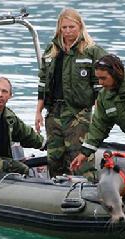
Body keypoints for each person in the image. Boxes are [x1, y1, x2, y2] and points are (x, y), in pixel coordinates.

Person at [35, 7, 107, 181]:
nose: (67, 31)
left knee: (80, 157)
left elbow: (100, 86)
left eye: (71, 27)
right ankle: (56, 190)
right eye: (64, 27)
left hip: (78, 113)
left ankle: (88, 188)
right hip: (53, 112)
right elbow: (43, 82)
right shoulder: (51, 51)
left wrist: (99, 114)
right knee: (54, 157)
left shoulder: (92, 51)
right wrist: (38, 111)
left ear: (80, 27)